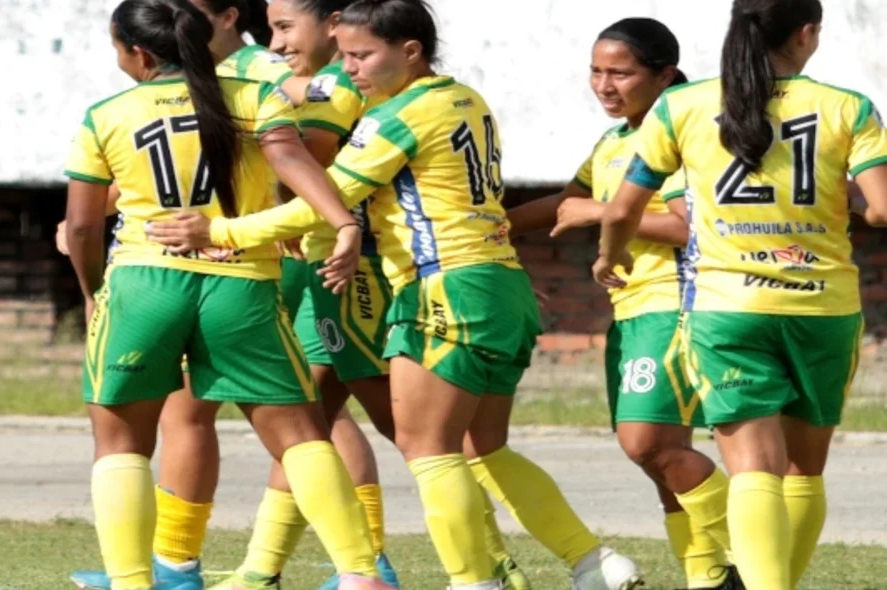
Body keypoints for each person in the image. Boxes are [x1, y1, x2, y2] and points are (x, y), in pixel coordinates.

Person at [148, 2, 641, 588]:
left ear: (410, 51)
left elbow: (320, 199)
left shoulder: (396, 119)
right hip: (500, 281)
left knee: (427, 448)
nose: (349, 68)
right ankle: (592, 562)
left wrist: (220, 231)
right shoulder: (464, 98)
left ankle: (473, 580)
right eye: (346, 54)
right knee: (482, 448)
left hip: (444, 285)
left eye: (361, 56)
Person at [62, 1, 395, 589]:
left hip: (144, 281)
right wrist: (343, 222)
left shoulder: (106, 114)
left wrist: (92, 292)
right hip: (242, 284)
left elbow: (85, 227)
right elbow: (292, 159)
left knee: (120, 444)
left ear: (139, 53)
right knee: (300, 436)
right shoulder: (250, 95)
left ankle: (137, 582)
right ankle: (360, 573)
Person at [595, 1, 887, 588]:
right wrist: (844, 202)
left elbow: (625, 207)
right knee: (803, 470)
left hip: (727, 308)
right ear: (807, 34)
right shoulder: (847, 107)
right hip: (822, 308)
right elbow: (881, 207)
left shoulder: (682, 104)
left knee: (752, 469)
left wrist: (609, 253)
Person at [506, 18, 741, 590]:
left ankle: (759, 548)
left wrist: (603, 215)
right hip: (632, 311)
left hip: (676, 305)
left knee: (648, 443)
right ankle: (709, 576)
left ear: (664, 76)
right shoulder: (614, 141)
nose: (605, 85)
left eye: (621, 73)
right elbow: (570, 201)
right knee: (664, 461)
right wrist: (487, 230)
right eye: (596, 71)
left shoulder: (683, 133)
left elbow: (692, 227)